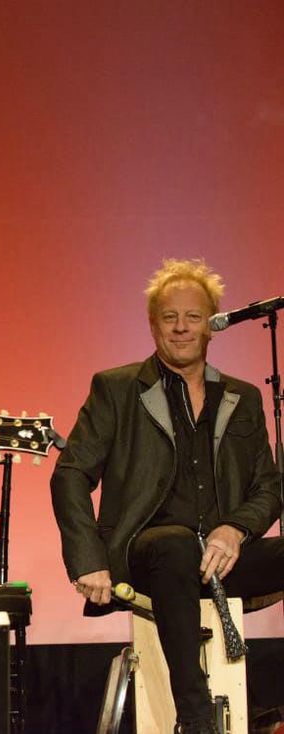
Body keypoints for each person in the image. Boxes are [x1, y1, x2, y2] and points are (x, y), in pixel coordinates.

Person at [50, 258, 284, 733]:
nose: (180, 328)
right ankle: (196, 720)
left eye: (193, 317)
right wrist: (87, 558)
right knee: (175, 542)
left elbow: (268, 485)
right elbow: (70, 473)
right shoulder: (116, 389)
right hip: (146, 556)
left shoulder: (242, 397)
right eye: (169, 317)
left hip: (222, 562)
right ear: (152, 324)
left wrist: (235, 530)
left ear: (212, 325)